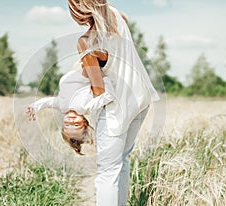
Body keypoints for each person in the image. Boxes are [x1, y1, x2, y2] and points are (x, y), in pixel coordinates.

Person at [67, 0, 160, 205]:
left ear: (78, 8)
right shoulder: (118, 15)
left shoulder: (86, 42)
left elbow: (99, 90)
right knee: (122, 161)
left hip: (118, 108)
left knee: (107, 173)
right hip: (140, 98)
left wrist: (78, 101)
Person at [27, 61, 115, 155]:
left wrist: (35, 107)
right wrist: (103, 76)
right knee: (88, 51)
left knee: (84, 48)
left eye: (67, 125)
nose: (71, 121)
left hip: (71, 73)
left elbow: (48, 102)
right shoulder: (86, 107)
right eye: (76, 125)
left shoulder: (62, 107)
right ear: (85, 123)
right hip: (85, 73)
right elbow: (109, 96)